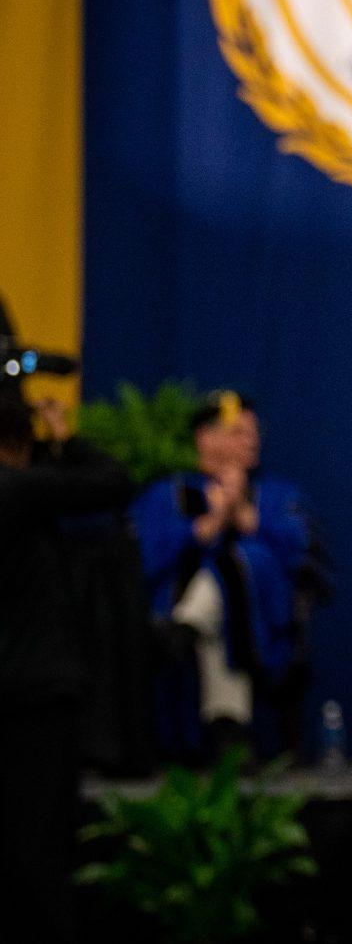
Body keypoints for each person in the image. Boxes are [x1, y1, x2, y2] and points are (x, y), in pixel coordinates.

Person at [1, 395, 134, 941]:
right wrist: (65, 437)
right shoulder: (21, 488)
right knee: (43, 850)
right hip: (35, 698)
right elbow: (111, 482)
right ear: (22, 444)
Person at [131, 391, 318, 760]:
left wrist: (247, 519)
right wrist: (209, 524)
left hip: (266, 621)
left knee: (244, 561)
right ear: (205, 438)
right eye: (238, 432)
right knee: (223, 605)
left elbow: (304, 560)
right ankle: (227, 726)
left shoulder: (275, 496)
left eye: (253, 433)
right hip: (207, 617)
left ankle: (186, 626)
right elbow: (144, 559)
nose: (251, 441)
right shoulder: (168, 495)